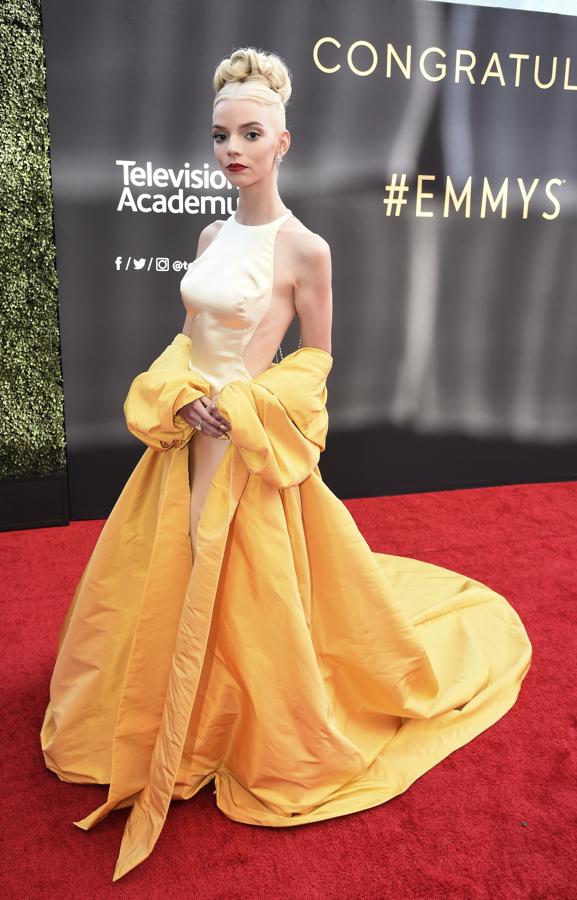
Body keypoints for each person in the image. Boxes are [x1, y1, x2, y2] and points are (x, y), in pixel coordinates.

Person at [40, 47, 533, 883]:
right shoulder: (210, 234)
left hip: (244, 446)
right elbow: (186, 338)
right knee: (164, 571)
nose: (231, 149)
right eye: (219, 135)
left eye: (249, 134)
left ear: (283, 142)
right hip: (184, 442)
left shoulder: (306, 249)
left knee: (247, 593)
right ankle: (161, 713)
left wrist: (243, 407)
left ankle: (237, 729)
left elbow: (315, 359)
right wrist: (176, 395)